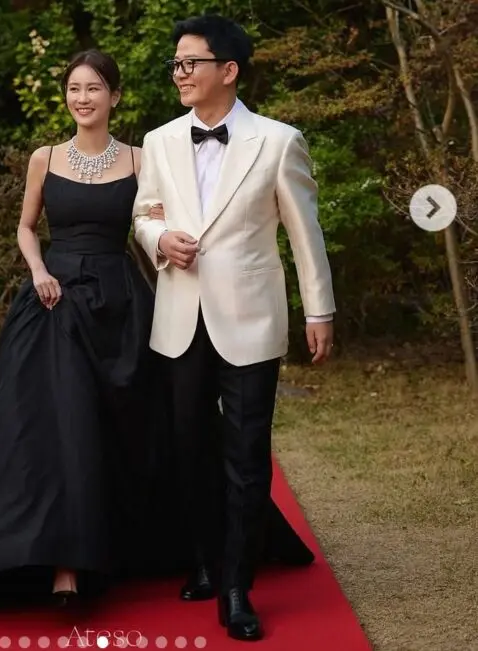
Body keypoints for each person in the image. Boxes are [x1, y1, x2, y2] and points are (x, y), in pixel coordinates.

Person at [0, 48, 314, 613]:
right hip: (55, 303)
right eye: (74, 88)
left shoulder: (146, 157)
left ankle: (190, 548)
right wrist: (39, 271)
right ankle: (63, 567)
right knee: (57, 428)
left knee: (157, 426)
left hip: (122, 305)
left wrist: (177, 255)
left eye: (94, 88)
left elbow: (157, 223)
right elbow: (26, 227)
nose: (83, 98)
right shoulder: (45, 158)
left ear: (114, 96)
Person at [133, 14, 336, 642]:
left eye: (190, 62)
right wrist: (159, 237)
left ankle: (236, 587)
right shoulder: (160, 140)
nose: (179, 73)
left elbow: (305, 233)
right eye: (175, 63)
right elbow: (143, 212)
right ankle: (203, 560)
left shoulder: (278, 141)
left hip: (251, 318)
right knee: (189, 449)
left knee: (247, 456)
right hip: (179, 318)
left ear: (228, 69)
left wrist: (319, 310)